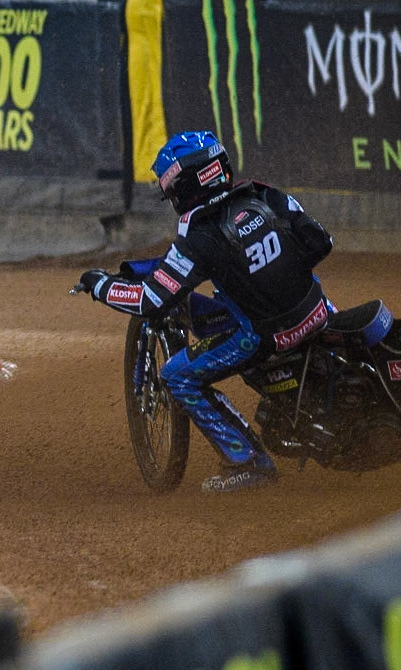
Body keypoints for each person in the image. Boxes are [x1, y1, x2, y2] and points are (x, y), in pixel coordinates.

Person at [76, 131, 335, 492]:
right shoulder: (266, 194)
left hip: (264, 337)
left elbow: (151, 300)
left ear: (183, 188)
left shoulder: (199, 237)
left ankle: (249, 462)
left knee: (176, 375)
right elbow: (321, 243)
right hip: (319, 311)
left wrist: (100, 286)